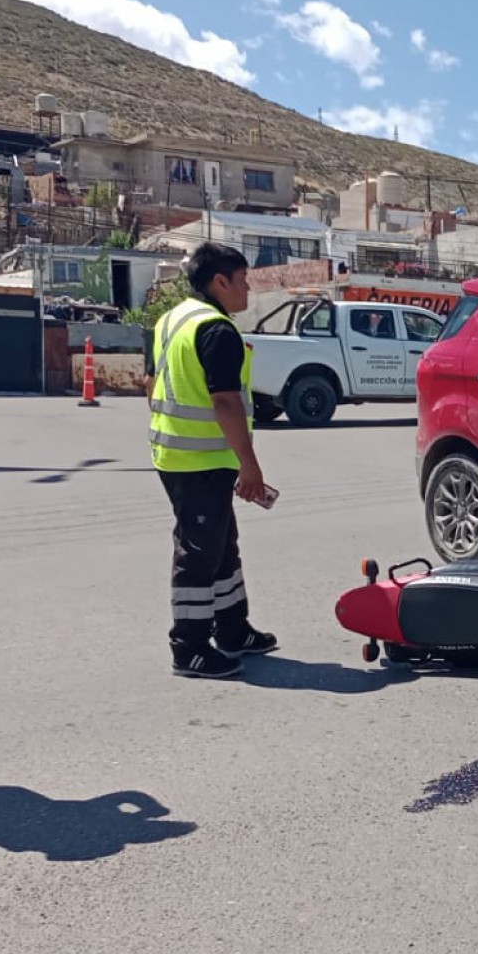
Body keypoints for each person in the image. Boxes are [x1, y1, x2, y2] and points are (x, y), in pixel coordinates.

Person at [150, 242, 278, 678]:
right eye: (243, 281)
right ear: (220, 282)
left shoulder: (173, 319)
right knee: (200, 554)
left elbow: (151, 380)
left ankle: (233, 630)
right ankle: (189, 647)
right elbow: (225, 402)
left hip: (180, 454)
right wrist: (250, 464)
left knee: (222, 547)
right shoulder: (217, 330)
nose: (248, 290)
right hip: (198, 459)